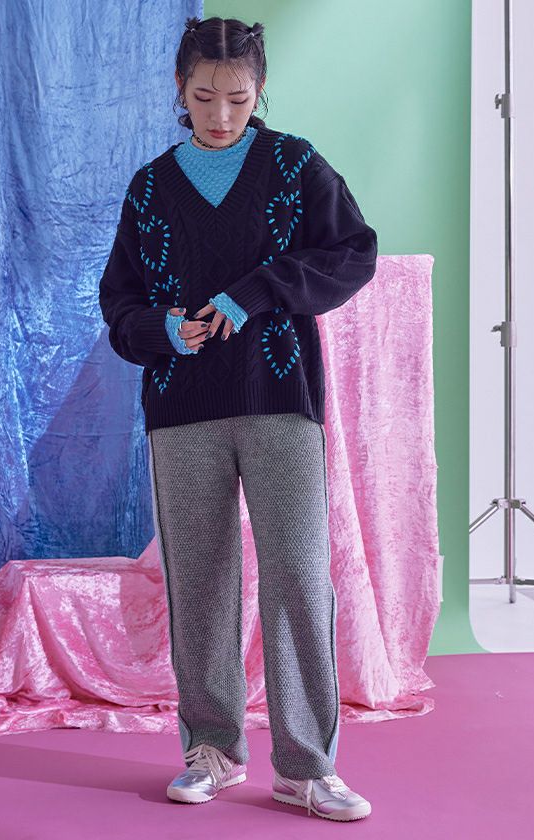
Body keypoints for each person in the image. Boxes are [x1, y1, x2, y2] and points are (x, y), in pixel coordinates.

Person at [99, 15, 377, 823]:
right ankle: (213, 750)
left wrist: (256, 290)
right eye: (203, 97)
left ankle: (307, 767)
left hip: (280, 402)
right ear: (179, 90)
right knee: (200, 584)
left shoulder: (293, 165)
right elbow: (118, 304)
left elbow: (351, 252)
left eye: (237, 98)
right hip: (182, 408)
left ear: (260, 92)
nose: (219, 115)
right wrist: (162, 330)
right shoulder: (150, 187)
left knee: (299, 575)